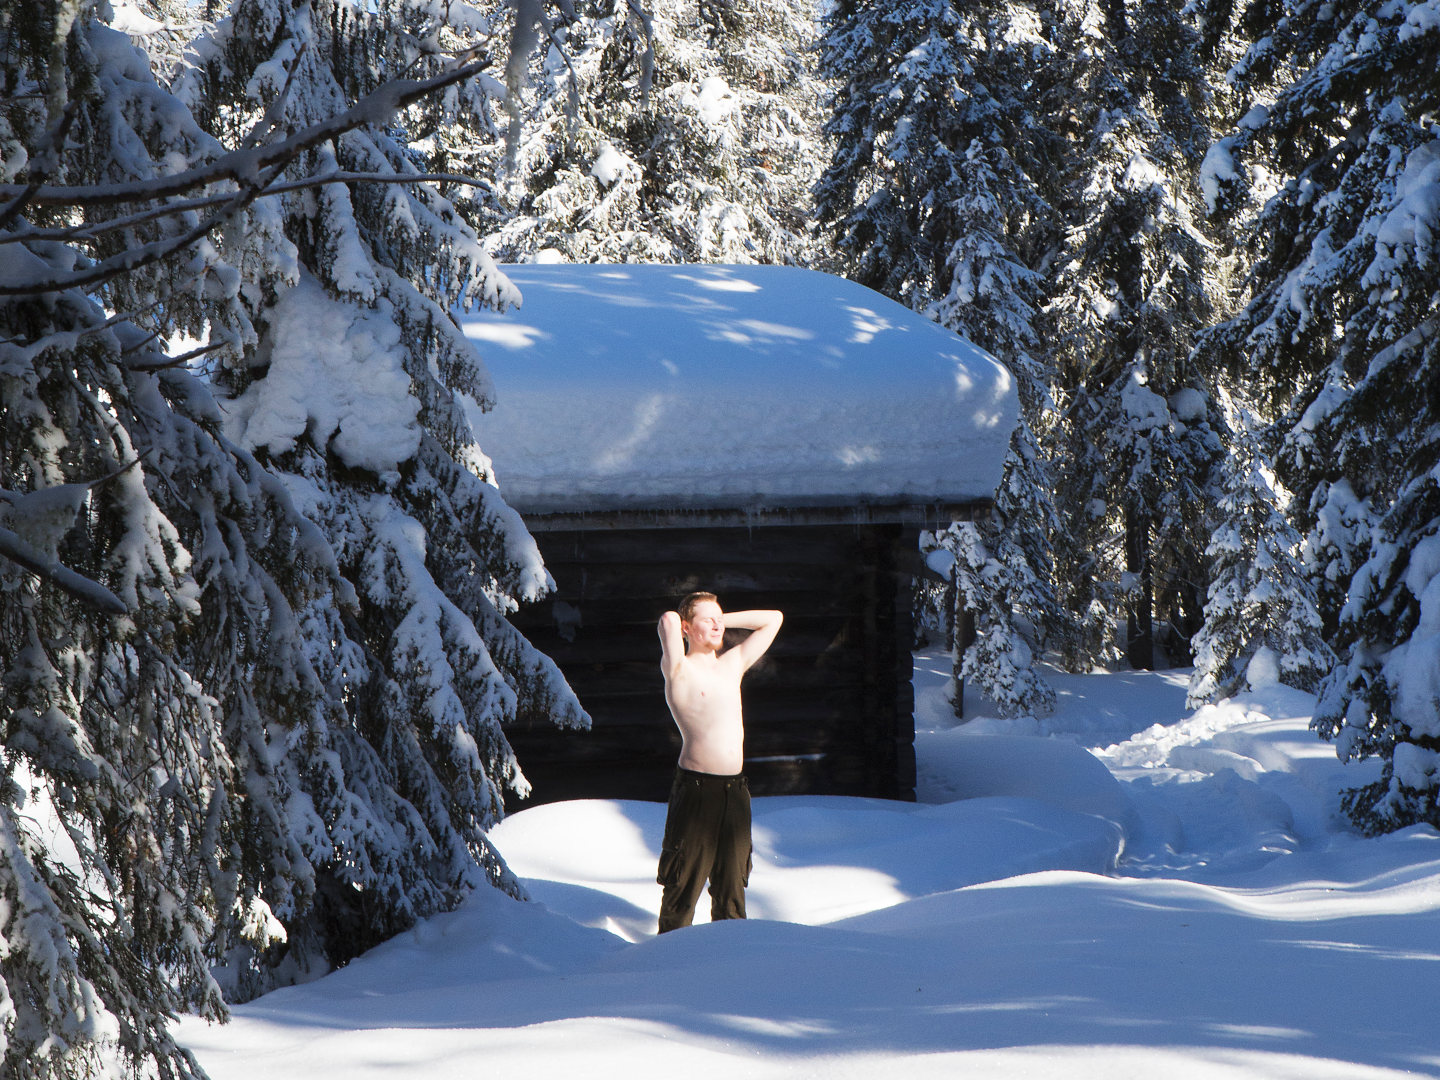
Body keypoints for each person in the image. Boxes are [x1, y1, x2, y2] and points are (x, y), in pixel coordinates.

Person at [654, 591, 783, 933]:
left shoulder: (733, 663)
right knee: (682, 888)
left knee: (732, 889)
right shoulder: (679, 668)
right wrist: (684, 620)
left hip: (735, 791)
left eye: (719, 617)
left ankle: (728, 968)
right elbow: (667, 619)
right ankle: (667, 963)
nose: (716, 624)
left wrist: (723, 618)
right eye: (706, 619)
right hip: (696, 791)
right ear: (687, 627)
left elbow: (774, 619)